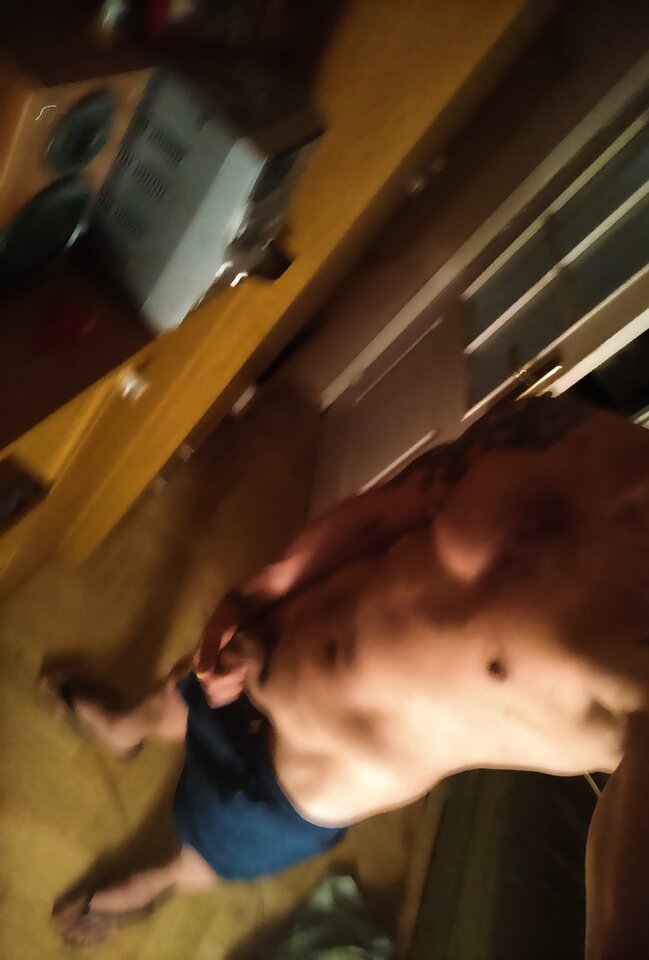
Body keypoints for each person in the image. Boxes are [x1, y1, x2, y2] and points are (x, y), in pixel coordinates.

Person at [41, 394, 649, 957]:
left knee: (205, 851)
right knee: (177, 694)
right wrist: (254, 595)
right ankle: (125, 727)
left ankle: (155, 883)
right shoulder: (583, 435)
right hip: (259, 647)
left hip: (303, 784)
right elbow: (394, 507)